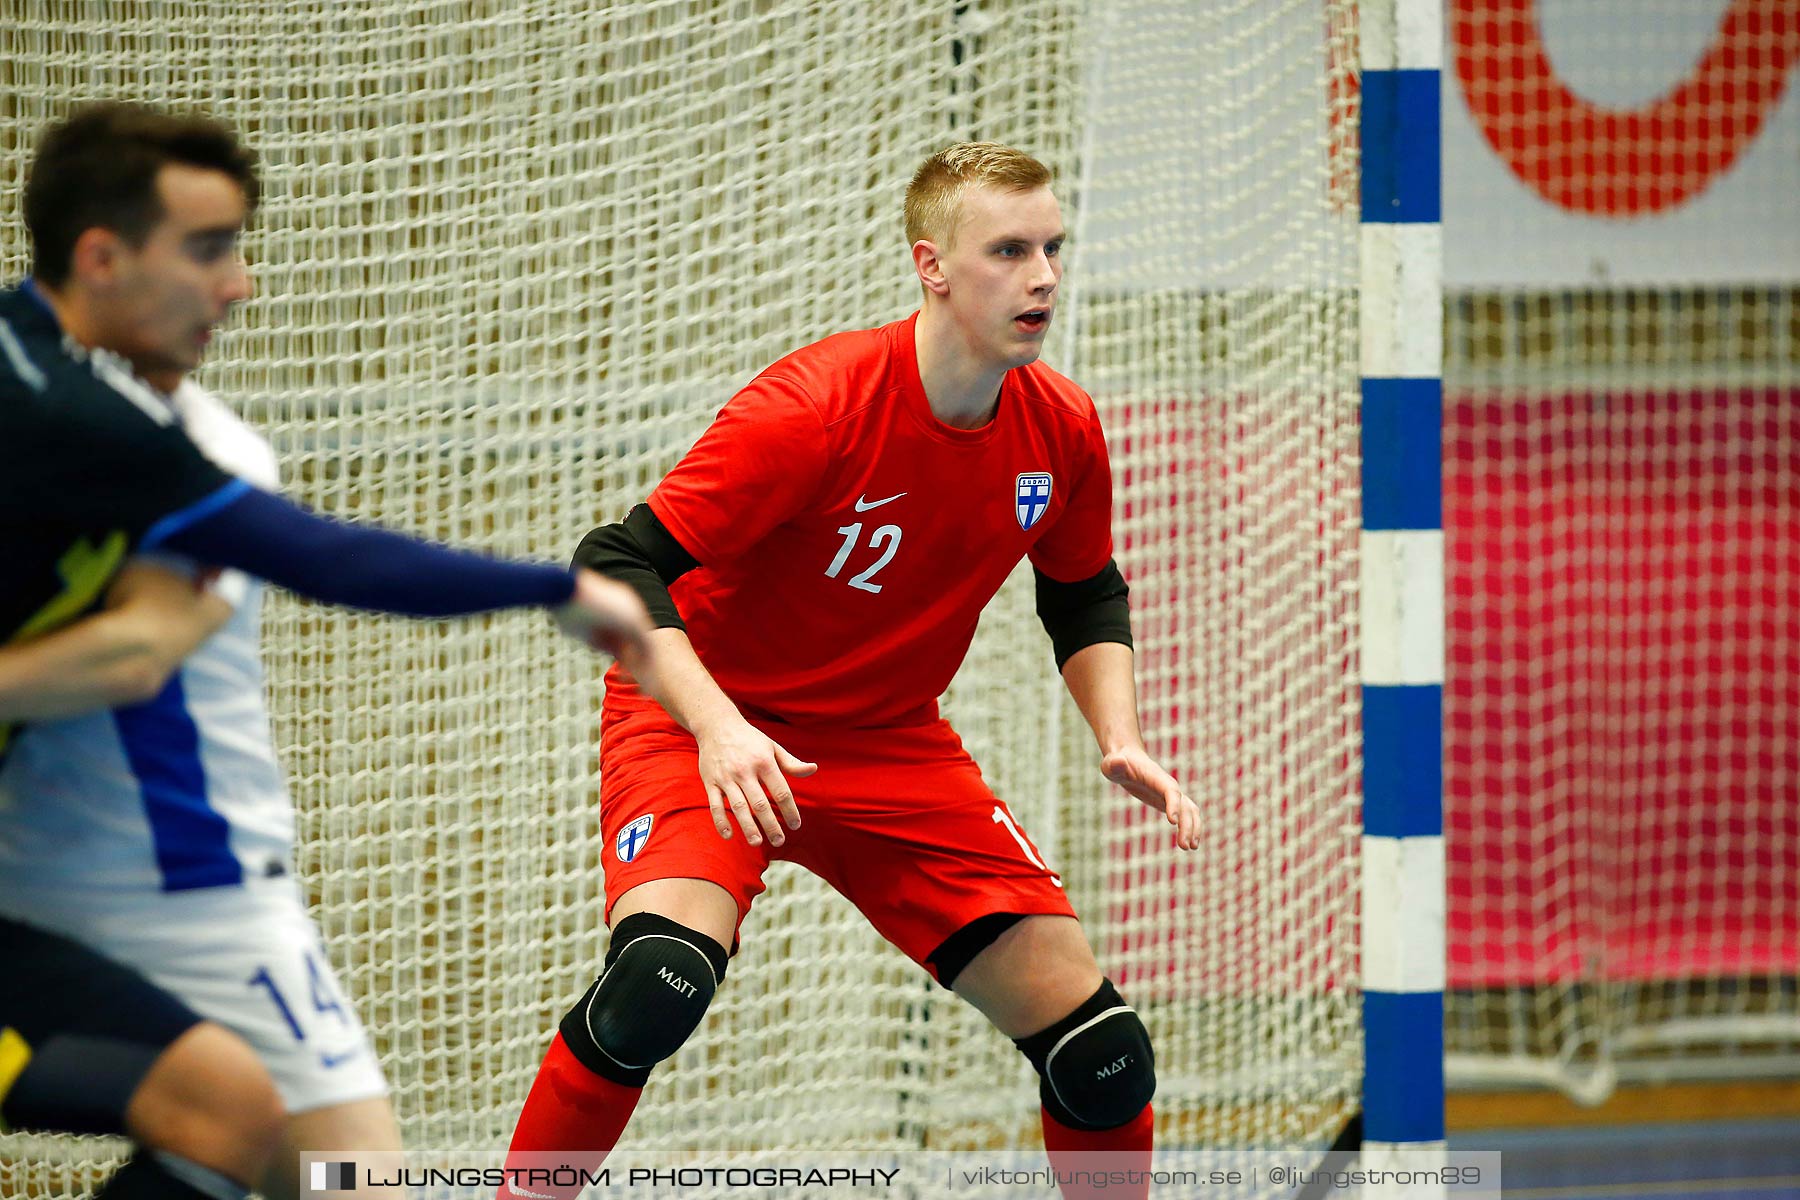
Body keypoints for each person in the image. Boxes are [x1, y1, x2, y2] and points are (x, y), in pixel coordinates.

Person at [500, 142, 1201, 1200]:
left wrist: (1121, 734)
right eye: (1010, 249)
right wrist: (720, 727)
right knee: (656, 986)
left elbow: (1083, 588)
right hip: (708, 727)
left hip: (889, 743)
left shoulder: (1061, 429)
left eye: (1053, 246)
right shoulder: (814, 408)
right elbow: (615, 563)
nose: (1045, 274)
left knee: (1102, 1055)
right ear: (933, 265)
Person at [0, 101, 654, 1200]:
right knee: (316, 1161)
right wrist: (555, 586)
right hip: (157, 889)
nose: (240, 283)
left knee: (253, 1127)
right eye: (208, 249)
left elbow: (273, 577)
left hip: (75, 887)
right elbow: (317, 568)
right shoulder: (82, 424)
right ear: (101, 257)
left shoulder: (120, 429)